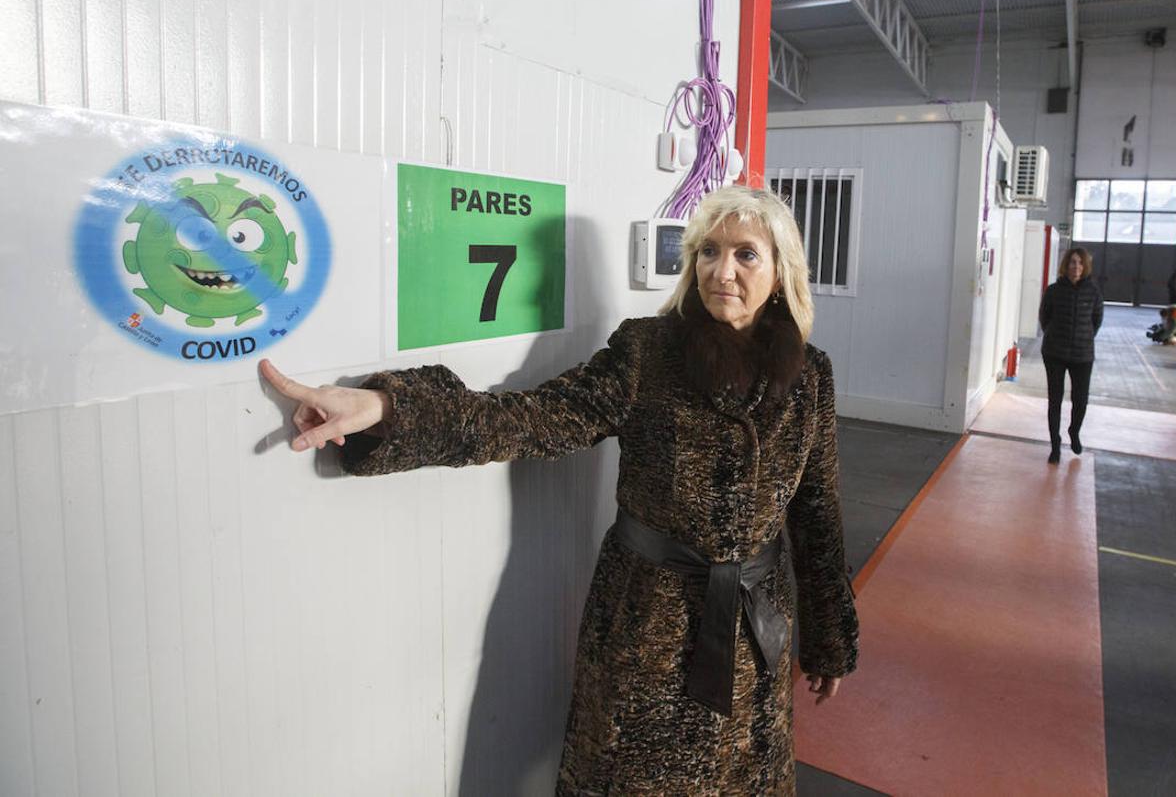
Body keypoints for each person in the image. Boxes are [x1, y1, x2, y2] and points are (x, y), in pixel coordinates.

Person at [258, 187, 857, 795]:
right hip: (649, 625)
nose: (720, 270)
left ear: (781, 271)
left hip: (755, 631)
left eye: (745, 255)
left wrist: (829, 641)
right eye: (707, 251)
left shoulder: (811, 377)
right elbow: (531, 418)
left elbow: (817, 517)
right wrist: (388, 408)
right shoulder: (648, 353)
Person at [1038, 247, 1104, 464]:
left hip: (1082, 355)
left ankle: (1074, 432)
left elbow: (1096, 320)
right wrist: (1055, 334)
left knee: (1081, 400)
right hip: (1054, 352)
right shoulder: (1054, 290)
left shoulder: (1093, 292)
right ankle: (1054, 445)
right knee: (1054, 400)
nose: (1076, 267)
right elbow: (1044, 317)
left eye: (1080, 263)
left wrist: (1083, 337)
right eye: (1072, 263)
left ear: (1085, 267)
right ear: (1065, 266)